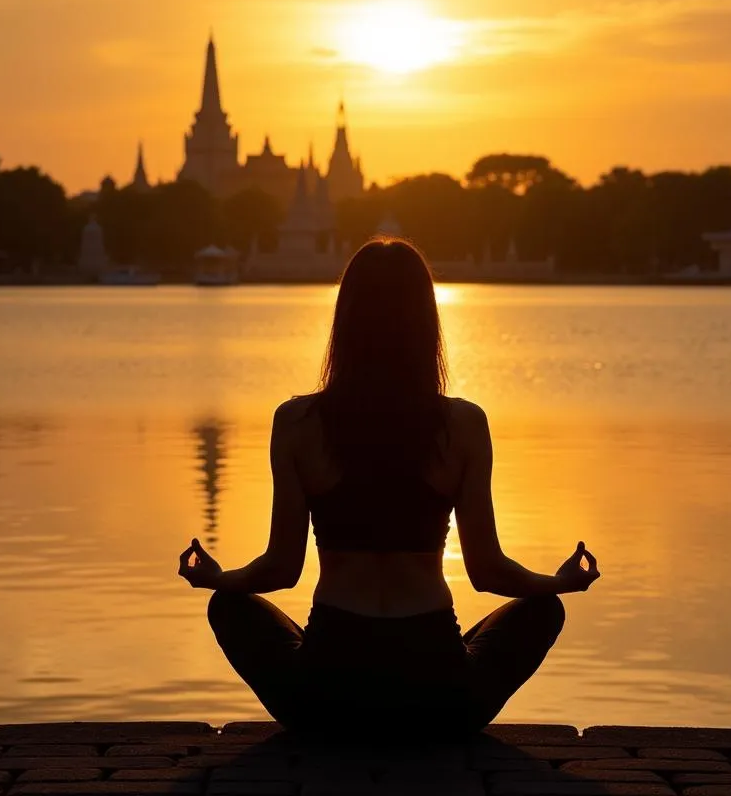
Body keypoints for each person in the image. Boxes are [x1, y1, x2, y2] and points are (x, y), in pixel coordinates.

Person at [178, 238, 600, 736]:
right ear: (426, 323)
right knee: (542, 610)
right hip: (440, 698)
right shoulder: (463, 424)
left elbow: (281, 568)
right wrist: (558, 584)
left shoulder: (296, 422)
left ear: (344, 320)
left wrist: (217, 579)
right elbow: (487, 572)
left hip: (325, 695)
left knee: (229, 606)